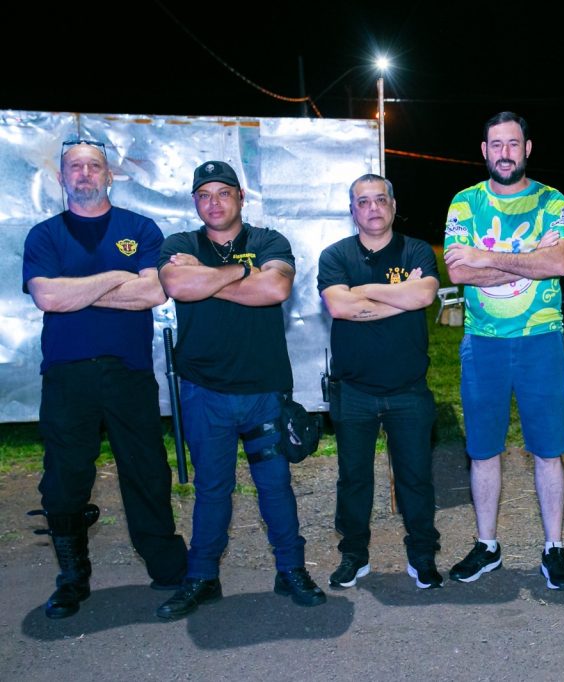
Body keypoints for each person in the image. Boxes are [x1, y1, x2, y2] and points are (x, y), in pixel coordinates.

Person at [21, 138, 188, 619]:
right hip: (66, 374)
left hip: (128, 373)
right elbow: (48, 298)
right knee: (64, 478)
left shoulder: (140, 228)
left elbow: (152, 293)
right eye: (75, 167)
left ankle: (168, 569)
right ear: (61, 178)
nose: (85, 174)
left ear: (109, 175)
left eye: (94, 166)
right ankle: (73, 578)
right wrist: (117, 276)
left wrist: (76, 292)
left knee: (147, 470)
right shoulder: (45, 235)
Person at [154, 160, 325, 619]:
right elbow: (177, 284)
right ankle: (202, 577)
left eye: (223, 193)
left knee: (275, 486)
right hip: (203, 390)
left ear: (241, 197)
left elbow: (275, 290)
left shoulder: (268, 241)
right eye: (204, 195)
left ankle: (291, 570)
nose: (214, 203)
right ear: (195, 201)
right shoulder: (180, 245)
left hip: (263, 390)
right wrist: (242, 275)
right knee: (212, 488)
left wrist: (209, 277)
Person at [442, 111, 564, 590]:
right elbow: (458, 272)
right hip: (483, 342)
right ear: (484, 151)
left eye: (513, 144)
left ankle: (554, 547)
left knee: (548, 450)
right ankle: (487, 545)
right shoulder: (465, 202)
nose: (505, 153)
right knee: (483, 449)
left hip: (541, 338)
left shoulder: (551, 200)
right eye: (496, 144)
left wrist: (486, 256)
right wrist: (529, 259)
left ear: (527, 149)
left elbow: (560, 262)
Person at [318, 174, 443, 590]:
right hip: (353, 390)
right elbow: (339, 307)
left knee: (416, 478)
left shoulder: (416, 250)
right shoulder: (336, 255)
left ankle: (422, 555)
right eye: (363, 202)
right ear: (352, 210)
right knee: (353, 479)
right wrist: (399, 295)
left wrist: (366, 291)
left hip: (409, 390)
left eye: (380, 200)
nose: (373, 208)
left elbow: (423, 297)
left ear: (393, 204)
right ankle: (354, 556)